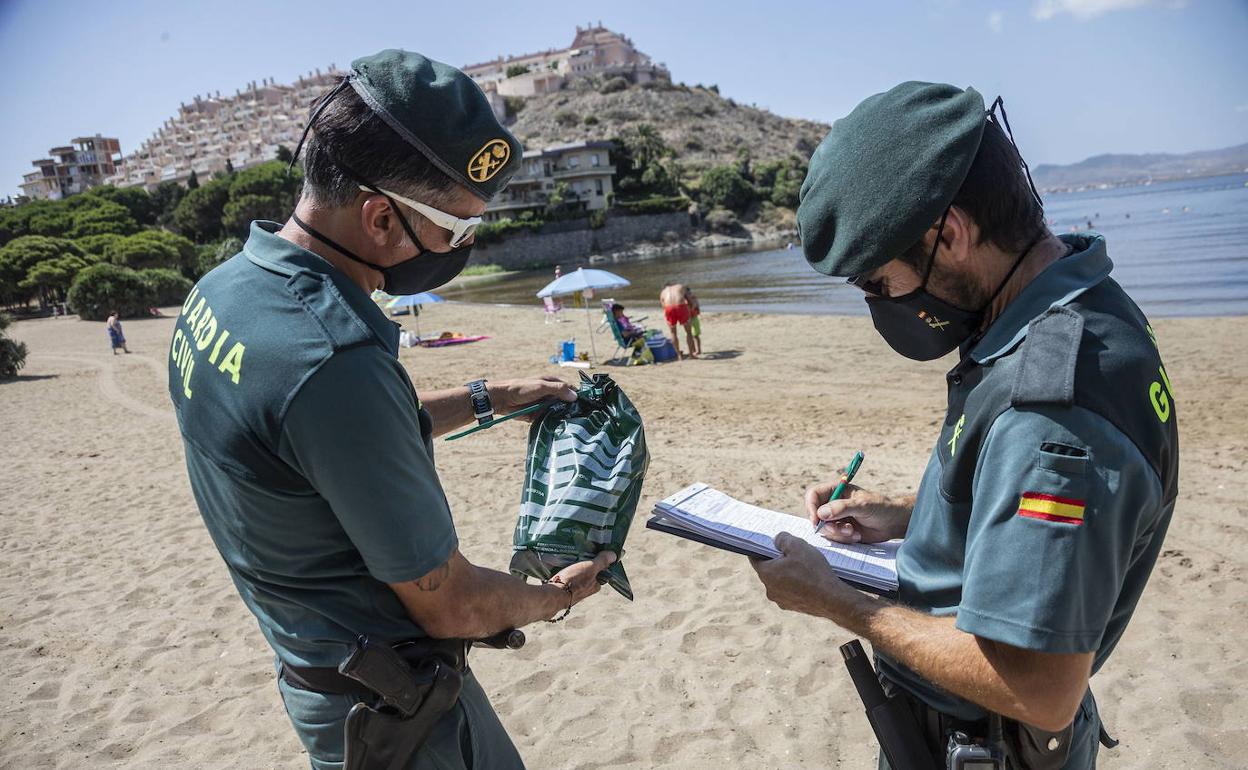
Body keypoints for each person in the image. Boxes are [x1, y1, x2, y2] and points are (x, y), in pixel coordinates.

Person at [168, 50, 615, 770]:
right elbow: (454, 604)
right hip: (399, 714)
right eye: (454, 230)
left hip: (320, 679)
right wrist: (555, 598)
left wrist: (494, 396)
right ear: (380, 217)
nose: (462, 247)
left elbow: (323, 445)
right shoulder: (333, 363)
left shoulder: (227, 290)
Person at [751, 82, 1178, 769]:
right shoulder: (1075, 300)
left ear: (948, 236)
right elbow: (1020, 517)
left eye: (877, 283)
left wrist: (837, 602)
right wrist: (904, 515)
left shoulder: (1050, 409)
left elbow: (1039, 688)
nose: (878, 304)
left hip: (990, 745)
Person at [659, 282, 696, 360]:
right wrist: (692, 308)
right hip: (680, 306)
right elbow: (689, 299)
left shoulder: (663, 292)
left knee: (673, 332)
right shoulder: (680, 286)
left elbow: (663, 306)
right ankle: (691, 354)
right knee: (688, 332)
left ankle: (679, 355)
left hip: (668, 308)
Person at [685, 287, 703, 357]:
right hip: (688, 318)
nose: (689, 295)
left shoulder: (693, 298)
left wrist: (693, 302)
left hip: (694, 317)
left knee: (696, 335)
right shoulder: (684, 300)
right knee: (690, 335)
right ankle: (693, 350)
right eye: (687, 294)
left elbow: (696, 306)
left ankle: (698, 350)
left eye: (689, 293)